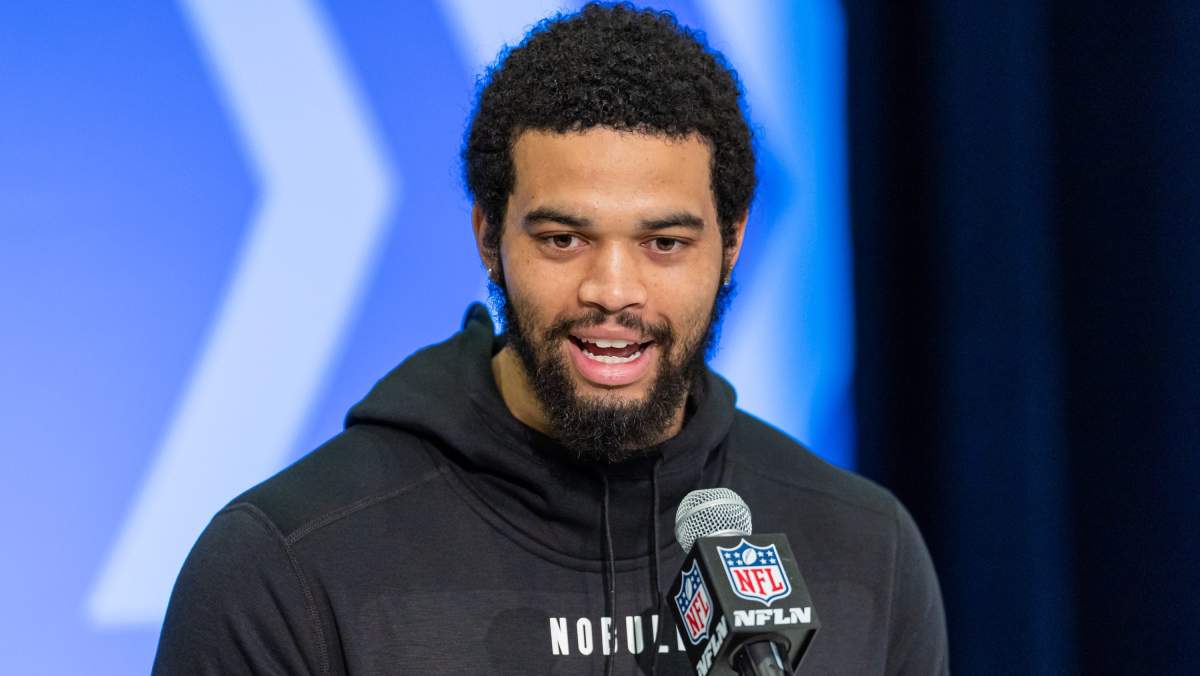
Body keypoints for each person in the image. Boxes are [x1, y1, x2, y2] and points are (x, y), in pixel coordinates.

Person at [153, 3, 947, 674]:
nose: (613, 290)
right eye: (564, 240)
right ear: (488, 237)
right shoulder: (288, 565)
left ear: (731, 243)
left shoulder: (863, 548)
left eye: (664, 243)